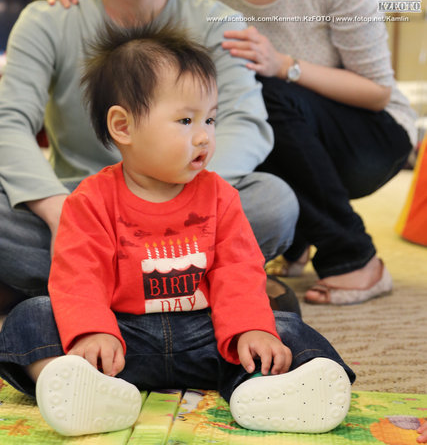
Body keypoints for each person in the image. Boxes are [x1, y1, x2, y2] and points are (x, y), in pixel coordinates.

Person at [51, 0, 416, 307]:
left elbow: (378, 91)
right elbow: (166, 35)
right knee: (222, 110)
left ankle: (355, 256)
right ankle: (295, 240)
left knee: (258, 91)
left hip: (370, 135)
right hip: (290, 130)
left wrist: (284, 64)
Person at [0, 24, 354, 437]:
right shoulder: (91, 199)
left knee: (284, 327)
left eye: (210, 118)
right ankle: (80, 385)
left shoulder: (221, 197)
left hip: (205, 334)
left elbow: (238, 271)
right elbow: (79, 275)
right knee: (32, 316)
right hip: (120, 340)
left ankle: (263, 390)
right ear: (123, 126)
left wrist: (251, 329)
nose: (204, 135)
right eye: (186, 120)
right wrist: (93, 332)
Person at [0, 0, 300, 315]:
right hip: (80, 203)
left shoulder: (218, 22)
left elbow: (246, 122)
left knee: (274, 202)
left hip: (189, 203)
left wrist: (185, 199)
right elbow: (9, 122)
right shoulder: (49, 19)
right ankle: (191, 283)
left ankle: (76, 283)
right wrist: (60, 212)